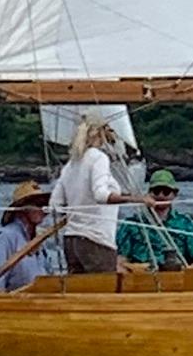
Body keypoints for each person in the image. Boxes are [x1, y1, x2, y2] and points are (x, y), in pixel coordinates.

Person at [48, 115, 144, 274]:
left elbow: (55, 205)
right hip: (96, 241)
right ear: (100, 133)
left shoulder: (71, 164)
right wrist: (136, 199)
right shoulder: (98, 158)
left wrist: (79, 205)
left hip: (72, 240)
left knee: (79, 292)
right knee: (103, 294)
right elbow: (100, 195)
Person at [116, 169, 193, 273]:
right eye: (156, 191)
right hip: (142, 278)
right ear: (149, 193)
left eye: (166, 192)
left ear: (174, 194)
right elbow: (120, 261)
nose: (160, 195)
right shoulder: (132, 225)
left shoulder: (185, 223)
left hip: (178, 276)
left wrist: (186, 272)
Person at [0, 180, 54, 293]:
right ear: (22, 208)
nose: (42, 209)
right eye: (38, 204)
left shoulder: (39, 241)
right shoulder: (6, 238)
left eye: (44, 204)